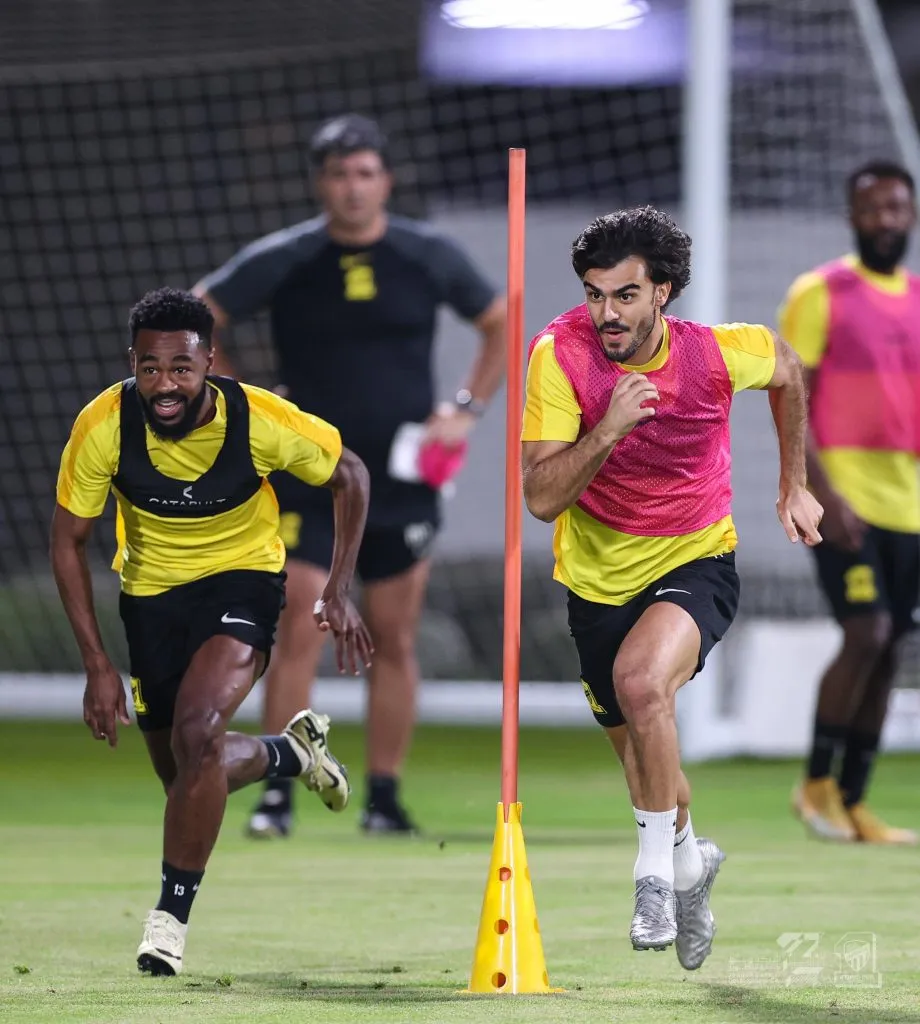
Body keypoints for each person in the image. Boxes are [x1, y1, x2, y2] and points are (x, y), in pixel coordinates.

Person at [521, 207, 822, 965]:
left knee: (642, 684)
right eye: (594, 295)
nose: (606, 314)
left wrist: (793, 483)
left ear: (663, 292)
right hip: (595, 585)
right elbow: (542, 497)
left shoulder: (717, 355)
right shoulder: (560, 355)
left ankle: (652, 877)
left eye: (624, 296)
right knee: (652, 771)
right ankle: (690, 863)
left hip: (695, 560)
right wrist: (609, 427)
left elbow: (787, 368)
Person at [193, 113, 506, 837]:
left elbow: (498, 318)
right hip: (310, 471)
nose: (353, 187)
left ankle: (384, 797)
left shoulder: (426, 254)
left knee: (395, 635)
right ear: (320, 183)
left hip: (399, 476)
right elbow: (200, 312)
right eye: (338, 174)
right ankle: (278, 788)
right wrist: (243, 405)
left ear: (386, 181)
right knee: (301, 621)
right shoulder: (289, 256)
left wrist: (464, 407)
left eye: (365, 173)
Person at [50, 287, 373, 977]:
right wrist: (97, 664)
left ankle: (168, 922)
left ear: (209, 363)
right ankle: (290, 755)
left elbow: (350, 474)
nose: (165, 385)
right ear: (131, 364)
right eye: (150, 368)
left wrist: (339, 588)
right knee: (186, 777)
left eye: (181, 367)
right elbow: (66, 541)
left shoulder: (258, 418)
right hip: (150, 598)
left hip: (243, 582)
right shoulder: (103, 424)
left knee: (199, 736)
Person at [779, 160, 919, 846]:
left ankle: (856, 801)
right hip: (847, 498)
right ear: (851, 216)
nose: (886, 220)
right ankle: (814, 786)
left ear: (912, 215)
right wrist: (816, 490)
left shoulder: (918, 298)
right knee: (865, 632)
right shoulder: (821, 292)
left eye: (897, 208)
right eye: (873, 209)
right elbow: (790, 395)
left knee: (891, 648)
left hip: (909, 505)